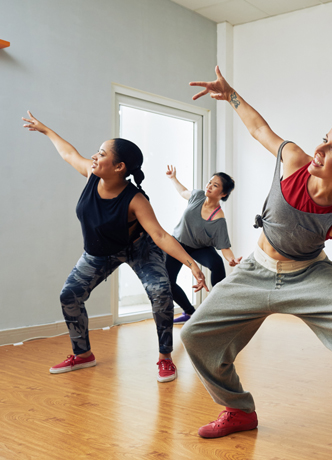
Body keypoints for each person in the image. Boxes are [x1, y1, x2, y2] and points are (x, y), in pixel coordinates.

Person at [180, 66, 332, 460]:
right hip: (257, 269)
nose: (320, 150)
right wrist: (230, 94)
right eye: (324, 140)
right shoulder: (295, 160)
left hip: (309, 276)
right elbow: (260, 129)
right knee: (194, 335)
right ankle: (239, 410)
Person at [22, 111, 208, 383]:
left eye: (101, 153)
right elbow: (69, 154)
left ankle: (165, 357)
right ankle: (83, 354)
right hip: (100, 252)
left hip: (139, 249)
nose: (94, 157)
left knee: (160, 291)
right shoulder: (92, 176)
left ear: (119, 167)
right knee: (69, 295)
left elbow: (159, 234)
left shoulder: (135, 199)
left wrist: (192, 264)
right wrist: (46, 130)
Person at [165, 166, 242, 323]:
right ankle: (189, 313)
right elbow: (183, 192)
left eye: (215, 185)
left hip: (199, 248)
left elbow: (224, 247)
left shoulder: (218, 218)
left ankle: (220, 309)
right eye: (209, 182)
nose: (209, 186)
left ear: (223, 194)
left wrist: (231, 259)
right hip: (178, 243)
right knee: (167, 280)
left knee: (217, 263)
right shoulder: (198, 196)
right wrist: (173, 178)